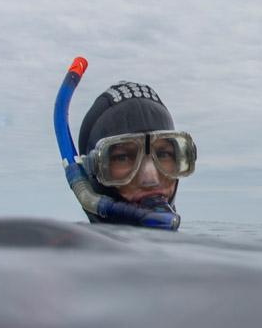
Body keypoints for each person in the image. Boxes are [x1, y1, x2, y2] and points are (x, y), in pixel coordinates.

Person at [77, 81, 196, 226]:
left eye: (163, 154)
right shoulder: (62, 245)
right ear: (92, 172)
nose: (151, 179)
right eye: (123, 157)